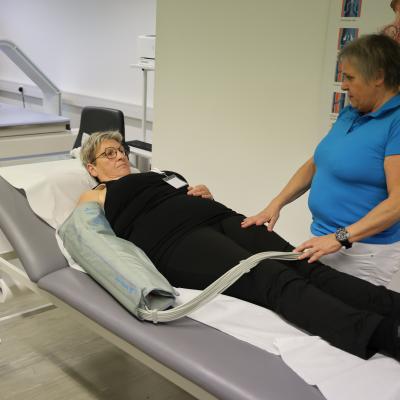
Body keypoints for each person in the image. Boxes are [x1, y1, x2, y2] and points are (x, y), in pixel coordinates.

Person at [77, 130, 400, 362]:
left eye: (121, 150)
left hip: (220, 217)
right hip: (177, 240)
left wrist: (203, 193)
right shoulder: (97, 193)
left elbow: (184, 192)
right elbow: (84, 233)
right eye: (109, 154)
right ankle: (384, 335)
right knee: (272, 278)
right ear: (92, 168)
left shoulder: (159, 173)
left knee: (305, 262)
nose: (120, 155)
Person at [242, 34, 400, 287]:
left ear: (378, 77)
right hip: (323, 240)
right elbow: (317, 163)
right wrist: (276, 204)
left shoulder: (396, 122)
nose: (343, 86)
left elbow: (397, 203)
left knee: (343, 311)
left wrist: (340, 237)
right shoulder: (351, 112)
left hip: (362, 252)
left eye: (350, 77)